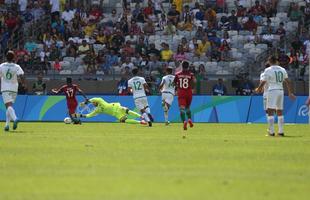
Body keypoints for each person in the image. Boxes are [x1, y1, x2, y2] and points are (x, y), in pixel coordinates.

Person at [255, 56, 296, 137]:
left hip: (272, 90)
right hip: (281, 90)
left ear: (270, 61)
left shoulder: (268, 70)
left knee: (270, 111)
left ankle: (271, 132)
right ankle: (281, 132)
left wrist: (259, 89)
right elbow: (288, 81)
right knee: (280, 111)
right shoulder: (282, 69)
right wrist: (290, 93)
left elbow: (263, 81)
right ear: (277, 61)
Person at [0, 51, 25, 131]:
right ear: (14, 57)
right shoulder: (16, 66)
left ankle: (15, 119)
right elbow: (21, 75)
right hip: (14, 88)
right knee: (9, 106)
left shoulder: (1, 66)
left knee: (8, 106)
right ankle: (7, 125)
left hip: (5, 88)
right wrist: (24, 84)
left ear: (5, 57)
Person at [77, 97, 147, 125]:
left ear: (96, 102)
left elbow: (91, 100)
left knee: (127, 111)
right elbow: (89, 115)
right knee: (124, 120)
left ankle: (141, 116)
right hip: (115, 114)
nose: (93, 103)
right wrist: (78, 115)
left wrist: (84, 103)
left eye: (93, 102)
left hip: (116, 106)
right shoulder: (97, 110)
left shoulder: (100, 100)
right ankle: (140, 122)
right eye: (92, 103)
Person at [174, 61, 196, 133]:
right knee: (188, 108)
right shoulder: (191, 75)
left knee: (182, 109)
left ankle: (184, 122)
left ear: (182, 66)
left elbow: (174, 83)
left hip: (181, 92)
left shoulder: (177, 74)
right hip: (189, 92)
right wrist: (192, 88)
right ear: (188, 66)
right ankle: (189, 119)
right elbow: (194, 82)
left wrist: (176, 89)